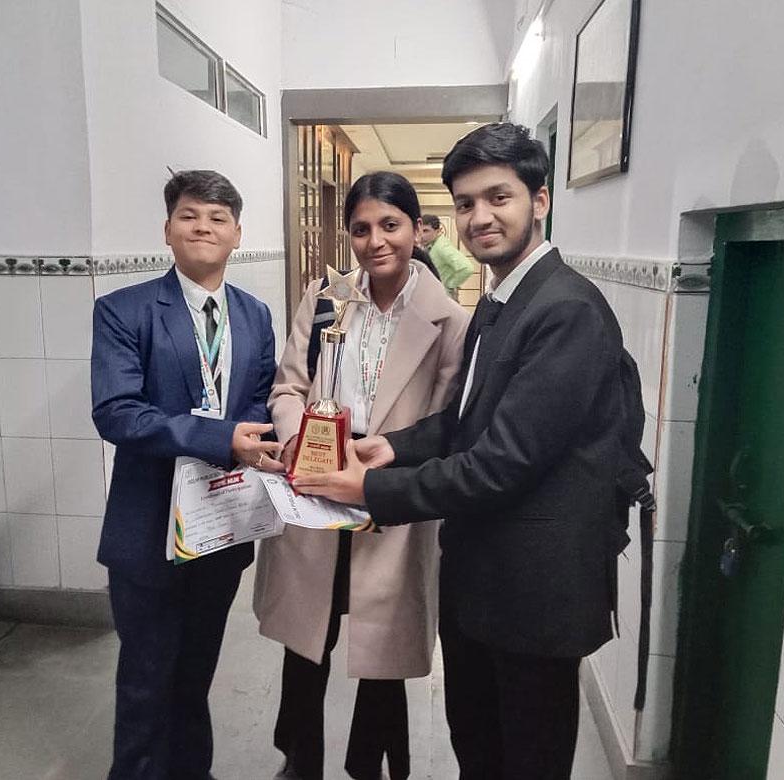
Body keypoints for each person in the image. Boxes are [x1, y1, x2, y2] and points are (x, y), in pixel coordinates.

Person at [294, 123, 627, 780]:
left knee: (524, 761)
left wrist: (370, 491)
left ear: (539, 200)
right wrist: (390, 447)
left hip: (533, 598)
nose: (480, 218)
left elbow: (501, 463)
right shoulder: (502, 301)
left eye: (499, 197)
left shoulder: (565, 311)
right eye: (467, 203)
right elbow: (464, 423)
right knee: (479, 750)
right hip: (481, 584)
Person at [255, 171, 469, 780]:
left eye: (390, 225)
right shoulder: (326, 298)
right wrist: (297, 442)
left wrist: (392, 461)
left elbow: (445, 421)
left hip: (388, 491)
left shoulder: (449, 320)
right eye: (361, 228)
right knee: (308, 638)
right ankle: (300, 760)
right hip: (316, 485)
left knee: (382, 645)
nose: (376, 241)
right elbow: (288, 386)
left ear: (416, 228)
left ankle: (370, 762)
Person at [91, 169, 284, 780]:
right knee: (146, 681)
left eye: (218, 218)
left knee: (195, 674)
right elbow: (117, 412)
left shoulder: (254, 315)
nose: (203, 227)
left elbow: (258, 399)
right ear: (167, 230)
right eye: (189, 215)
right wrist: (219, 438)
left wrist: (259, 440)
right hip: (148, 529)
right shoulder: (123, 311)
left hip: (220, 527)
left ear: (237, 234)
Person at [420, 214, 477, 298]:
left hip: (442, 296)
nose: (422, 235)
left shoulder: (441, 246)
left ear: (438, 231)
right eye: (419, 231)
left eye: (426, 231)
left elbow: (467, 267)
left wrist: (450, 284)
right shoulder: (431, 246)